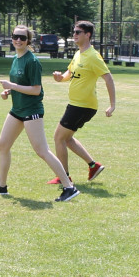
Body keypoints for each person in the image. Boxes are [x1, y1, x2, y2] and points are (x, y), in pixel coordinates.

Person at [0, 25, 79, 202]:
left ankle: (69, 187)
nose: (18, 40)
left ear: (28, 41)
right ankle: (1, 186)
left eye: (22, 38)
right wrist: (9, 92)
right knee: (3, 145)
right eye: (15, 37)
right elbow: (20, 83)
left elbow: (35, 90)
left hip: (31, 111)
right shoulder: (17, 58)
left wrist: (12, 86)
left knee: (42, 151)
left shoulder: (32, 61)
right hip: (17, 109)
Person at [50, 20, 116, 183]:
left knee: (59, 138)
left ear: (88, 35)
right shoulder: (79, 53)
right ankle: (93, 166)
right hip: (77, 104)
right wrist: (60, 78)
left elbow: (108, 78)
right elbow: (70, 73)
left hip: (82, 105)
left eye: (78, 32)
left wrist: (112, 105)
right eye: (74, 32)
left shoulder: (93, 56)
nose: (74, 35)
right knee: (67, 138)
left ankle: (64, 177)